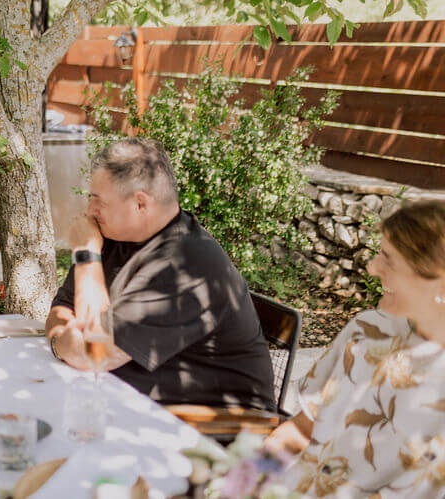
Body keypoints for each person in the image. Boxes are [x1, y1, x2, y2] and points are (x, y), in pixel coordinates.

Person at [45, 137, 275, 410]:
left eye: (98, 201)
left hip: (211, 431)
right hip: (124, 399)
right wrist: (63, 342)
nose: (89, 210)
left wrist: (85, 254)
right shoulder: (113, 235)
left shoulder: (185, 264)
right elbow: (61, 309)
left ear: (140, 203)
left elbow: (93, 354)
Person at [266, 200, 445, 498]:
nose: (373, 268)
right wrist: (240, 480)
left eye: (388, 259)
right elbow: (298, 431)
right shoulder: (367, 329)